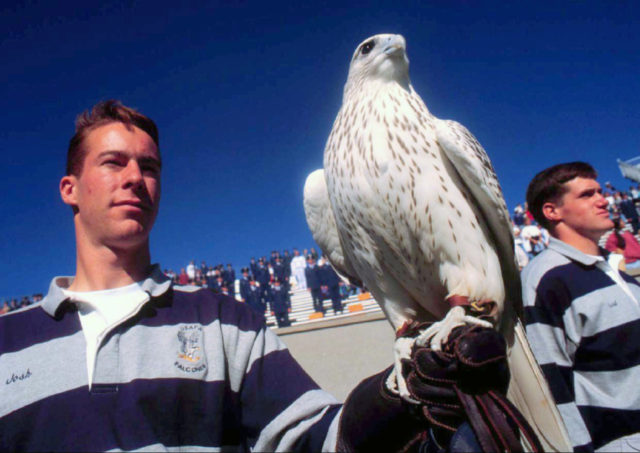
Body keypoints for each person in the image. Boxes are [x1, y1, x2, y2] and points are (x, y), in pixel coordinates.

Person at [1, 100, 508, 452]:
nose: (136, 177)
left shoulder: (225, 322)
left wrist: (396, 402)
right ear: (70, 188)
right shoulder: (6, 341)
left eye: (150, 167)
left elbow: (319, 440)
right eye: (113, 163)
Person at [522, 161, 640, 451]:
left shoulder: (620, 276)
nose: (603, 200)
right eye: (587, 195)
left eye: (600, 192)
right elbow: (552, 384)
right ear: (552, 211)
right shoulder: (546, 280)